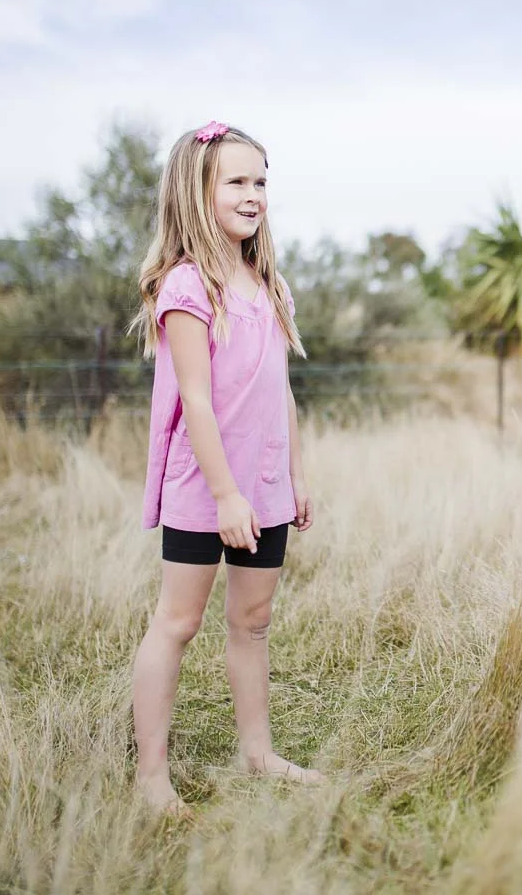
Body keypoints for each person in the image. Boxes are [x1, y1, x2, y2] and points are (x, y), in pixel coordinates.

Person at [128, 120, 320, 815]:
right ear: (197, 191)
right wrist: (225, 494)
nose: (253, 194)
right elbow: (198, 405)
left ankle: (258, 753)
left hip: (263, 487)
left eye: (261, 181)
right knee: (178, 623)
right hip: (206, 488)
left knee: (254, 619)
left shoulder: (268, 284)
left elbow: (281, 391)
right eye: (236, 181)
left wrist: (293, 475)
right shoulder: (188, 286)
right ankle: (152, 776)